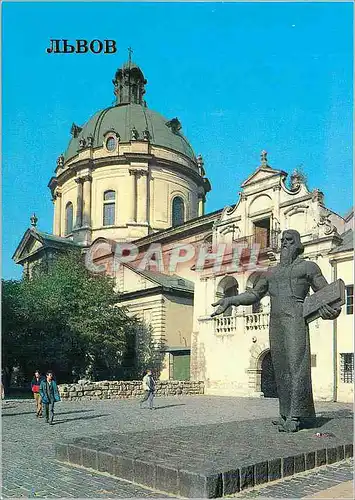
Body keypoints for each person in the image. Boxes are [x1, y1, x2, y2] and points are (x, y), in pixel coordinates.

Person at [212, 229, 341, 433]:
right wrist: (230, 300)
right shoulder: (271, 273)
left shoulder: (308, 267)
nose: (284, 243)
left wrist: (331, 311)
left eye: (289, 240)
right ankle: (285, 413)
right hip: (276, 322)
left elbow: (327, 294)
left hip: (296, 319)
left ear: (298, 244)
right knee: (280, 367)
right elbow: (254, 294)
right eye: (282, 240)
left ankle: (296, 416)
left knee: (297, 365)